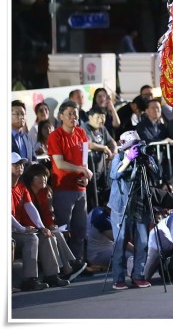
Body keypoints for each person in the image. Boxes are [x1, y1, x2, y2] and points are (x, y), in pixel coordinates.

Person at [21, 162, 88, 282]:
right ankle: (63, 270)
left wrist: (50, 225)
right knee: (50, 236)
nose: (44, 178)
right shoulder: (26, 191)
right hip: (28, 227)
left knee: (57, 233)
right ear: (31, 178)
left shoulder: (43, 192)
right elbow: (25, 215)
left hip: (40, 226)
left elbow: (46, 213)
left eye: (45, 176)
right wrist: (42, 228)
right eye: (39, 176)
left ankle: (67, 268)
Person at [11, 153, 69, 290]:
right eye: (15, 164)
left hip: (16, 230)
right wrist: (22, 229)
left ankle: (52, 275)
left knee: (45, 235)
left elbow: (30, 207)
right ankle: (30, 279)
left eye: (21, 164)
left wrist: (42, 227)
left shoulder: (21, 187)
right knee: (31, 239)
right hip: (10, 231)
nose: (20, 166)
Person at [109, 131, 155, 290]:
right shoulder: (119, 158)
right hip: (121, 206)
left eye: (138, 145)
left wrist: (148, 161)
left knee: (142, 242)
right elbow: (114, 174)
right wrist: (128, 160)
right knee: (120, 243)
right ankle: (118, 278)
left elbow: (158, 173)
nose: (137, 148)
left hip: (140, 204)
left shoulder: (143, 157)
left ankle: (138, 275)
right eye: (133, 146)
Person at [48, 100, 93, 261]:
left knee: (80, 228)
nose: (74, 117)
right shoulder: (55, 136)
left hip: (80, 188)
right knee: (63, 228)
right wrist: (82, 170)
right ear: (61, 116)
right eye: (70, 114)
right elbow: (59, 163)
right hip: (63, 188)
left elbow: (84, 159)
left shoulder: (81, 132)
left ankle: (77, 261)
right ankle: (63, 263)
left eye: (76, 114)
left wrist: (85, 176)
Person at [83, 105, 117, 208]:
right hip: (90, 170)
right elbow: (88, 144)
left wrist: (114, 151)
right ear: (90, 117)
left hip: (102, 170)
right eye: (98, 117)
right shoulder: (84, 128)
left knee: (104, 197)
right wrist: (104, 148)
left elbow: (111, 141)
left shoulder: (102, 128)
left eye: (103, 117)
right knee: (92, 199)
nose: (101, 120)